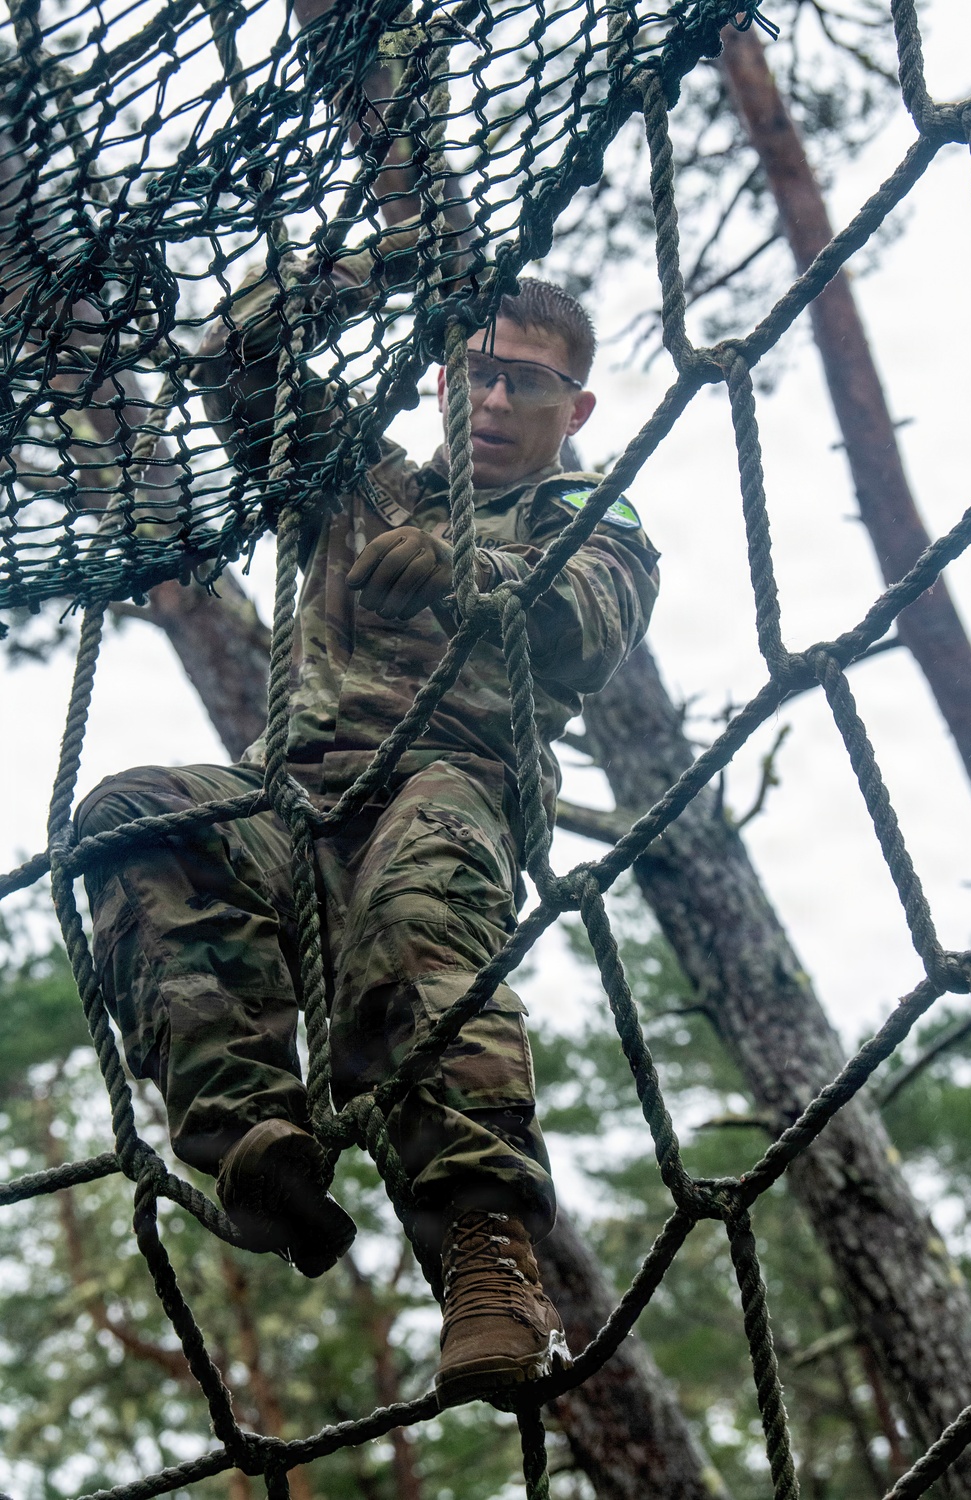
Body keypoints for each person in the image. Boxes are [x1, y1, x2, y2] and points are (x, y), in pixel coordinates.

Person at [75, 248, 660, 1404]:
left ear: (574, 408)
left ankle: (488, 1258)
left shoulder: (587, 512)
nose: (496, 402)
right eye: (478, 373)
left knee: (416, 912)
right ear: (444, 375)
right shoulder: (360, 480)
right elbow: (235, 365)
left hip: (447, 783)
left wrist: (467, 567)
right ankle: (247, 1135)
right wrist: (374, 266)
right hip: (293, 804)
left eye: (529, 386)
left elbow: (591, 618)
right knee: (131, 815)